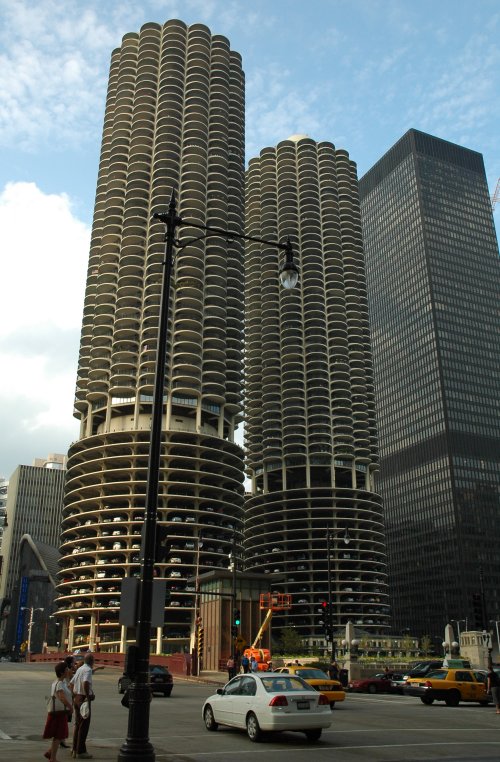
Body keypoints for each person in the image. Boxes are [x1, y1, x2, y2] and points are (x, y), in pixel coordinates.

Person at [43, 661, 73, 762]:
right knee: (59, 735)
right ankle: (53, 758)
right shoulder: (59, 683)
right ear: (61, 672)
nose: (68, 670)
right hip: (59, 713)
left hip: (59, 712)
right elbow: (62, 698)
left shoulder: (59, 682)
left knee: (60, 735)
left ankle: (50, 753)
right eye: (66, 669)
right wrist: (70, 707)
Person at [70, 651, 96, 759]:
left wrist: (73, 696)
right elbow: (86, 683)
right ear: (92, 661)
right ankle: (81, 751)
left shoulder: (80, 669)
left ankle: (74, 749)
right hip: (83, 699)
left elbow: (71, 683)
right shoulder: (88, 670)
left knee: (77, 724)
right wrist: (88, 696)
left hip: (77, 698)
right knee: (84, 726)